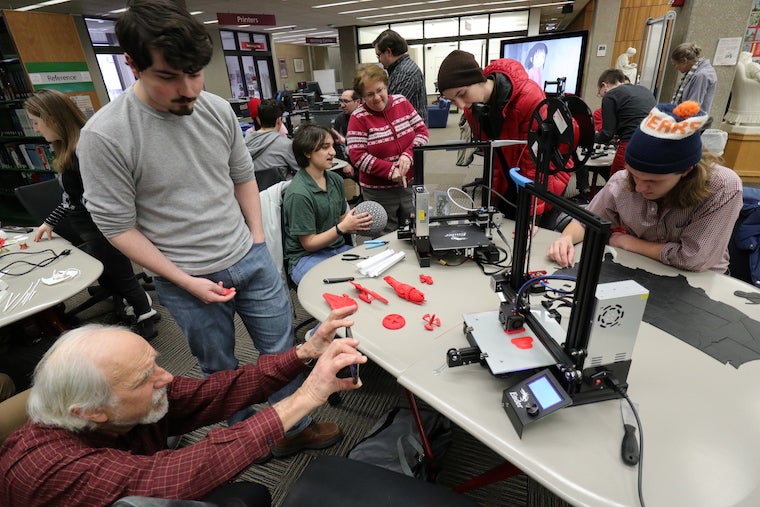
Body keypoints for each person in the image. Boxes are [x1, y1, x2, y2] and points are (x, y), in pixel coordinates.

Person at [77, 0, 339, 455]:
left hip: (249, 257)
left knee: (282, 353)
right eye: (169, 77)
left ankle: (293, 430)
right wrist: (184, 282)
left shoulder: (215, 109)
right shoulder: (105, 136)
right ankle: (242, 444)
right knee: (219, 369)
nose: (188, 89)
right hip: (184, 278)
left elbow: (242, 176)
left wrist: (258, 241)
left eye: (195, 73)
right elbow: (117, 228)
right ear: (132, 65)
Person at [0, 312, 367, 507]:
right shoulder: (47, 470)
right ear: (91, 411)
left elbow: (216, 391)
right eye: (146, 376)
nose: (165, 378)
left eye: (156, 364)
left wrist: (304, 353)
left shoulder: (121, 405)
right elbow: (165, 480)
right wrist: (306, 397)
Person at [547, 101, 743, 273]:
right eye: (634, 175)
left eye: (652, 181)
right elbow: (586, 222)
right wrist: (565, 239)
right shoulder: (621, 181)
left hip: (701, 280)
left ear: (686, 170)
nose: (640, 187)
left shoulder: (723, 187)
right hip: (638, 267)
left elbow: (692, 258)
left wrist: (627, 242)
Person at [24, 89, 158, 340]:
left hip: (100, 226)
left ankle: (145, 313)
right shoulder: (64, 146)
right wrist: (49, 222)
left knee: (121, 274)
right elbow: (72, 198)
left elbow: (98, 198)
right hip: (86, 224)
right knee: (108, 269)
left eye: (36, 122)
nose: (35, 129)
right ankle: (122, 299)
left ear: (53, 119)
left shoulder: (83, 151)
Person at [437, 50, 572, 218]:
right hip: (510, 178)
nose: (461, 104)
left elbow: (534, 164)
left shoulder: (529, 97)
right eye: (452, 101)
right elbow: (493, 155)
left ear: (478, 80)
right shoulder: (474, 109)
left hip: (541, 185)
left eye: (462, 94)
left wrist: (531, 217)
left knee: (533, 238)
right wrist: (493, 199)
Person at [284, 124, 372, 284]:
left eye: (332, 146)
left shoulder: (335, 180)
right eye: (325, 147)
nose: (332, 152)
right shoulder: (299, 193)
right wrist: (343, 228)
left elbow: (340, 217)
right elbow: (309, 243)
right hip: (305, 257)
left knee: (371, 273)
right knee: (337, 288)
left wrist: (356, 222)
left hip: (336, 248)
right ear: (307, 152)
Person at [347, 63, 429, 233]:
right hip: (378, 192)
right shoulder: (358, 117)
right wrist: (390, 170)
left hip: (409, 184)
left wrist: (408, 155)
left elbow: (422, 132)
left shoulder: (402, 102)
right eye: (369, 94)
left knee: (414, 230)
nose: (376, 97)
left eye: (380, 90)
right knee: (383, 236)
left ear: (387, 86)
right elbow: (357, 156)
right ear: (361, 97)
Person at [595, 68, 656, 176]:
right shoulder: (644, 90)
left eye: (600, 94)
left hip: (630, 145)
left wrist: (588, 138)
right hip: (653, 144)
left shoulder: (610, 95)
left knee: (616, 185)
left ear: (604, 85)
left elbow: (607, 134)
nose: (602, 97)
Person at [373, 29, 428, 124]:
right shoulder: (402, 69)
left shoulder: (404, 73)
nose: (379, 60)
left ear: (388, 52)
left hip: (410, 134)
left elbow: (390, 110)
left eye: (379, 55)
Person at [245, 98, 299, 190]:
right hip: (280, 198)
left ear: (258, 120)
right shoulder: (286, 145)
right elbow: (301, 173)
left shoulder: (243, 144)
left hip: (255, 199)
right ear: (279, 120)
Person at [671, 42, 717, 113]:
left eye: (675, 64)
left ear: (684, 61)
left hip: (691, 120)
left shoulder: (702, 75)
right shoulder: (695, 71)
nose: (676, 67)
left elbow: (692, 106)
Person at [330, 89, 360, 180]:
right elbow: (337, 146)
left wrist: (346, 141)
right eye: (341, 101)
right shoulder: (340, 119)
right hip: (348, 159)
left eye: (346, 101)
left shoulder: (366, 117)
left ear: (357, 102)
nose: (342, 105)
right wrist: (345, 164)